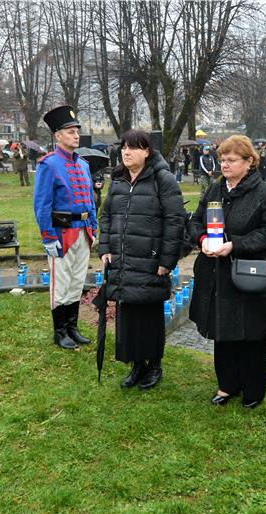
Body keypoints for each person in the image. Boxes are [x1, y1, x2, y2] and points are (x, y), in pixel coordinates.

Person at [188, 135, 266, 408]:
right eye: (222, 160)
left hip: (247, 271)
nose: (225, 165)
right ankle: (227, 384)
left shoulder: (264, 191)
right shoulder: (215, 189)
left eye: (231, 160)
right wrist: (202, 240)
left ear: (249, 162)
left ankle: (253, 390)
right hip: (216, 272)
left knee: (251, 332)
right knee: (223, 329)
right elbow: (195, 221)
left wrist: (236, 245)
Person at [98, 130, 185, 390]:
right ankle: (136, 365)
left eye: (133, 147)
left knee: (149, 313)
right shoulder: (118, 180)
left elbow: (175, 220)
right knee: (128, 314)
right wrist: (105, 248)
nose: (126, 152)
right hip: (123, 260)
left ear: (147, 151)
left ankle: (154, 365)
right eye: (123, 147)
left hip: (150, 260)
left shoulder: (163, 179)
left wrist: (166, 260)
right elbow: (106, 216)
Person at [33, 105, 97, 350]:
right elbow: (41, 205)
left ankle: (72, 327)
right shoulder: (48, 165)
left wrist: (93, 226)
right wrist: (48, 236)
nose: (76, 135)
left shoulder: (83, 165)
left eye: (76, 130)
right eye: (70, 131)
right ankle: (59, 332)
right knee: (61, 284)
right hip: (61, 233)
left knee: (76, 282)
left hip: (82, 232)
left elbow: (90, 200)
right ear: (57, 136)